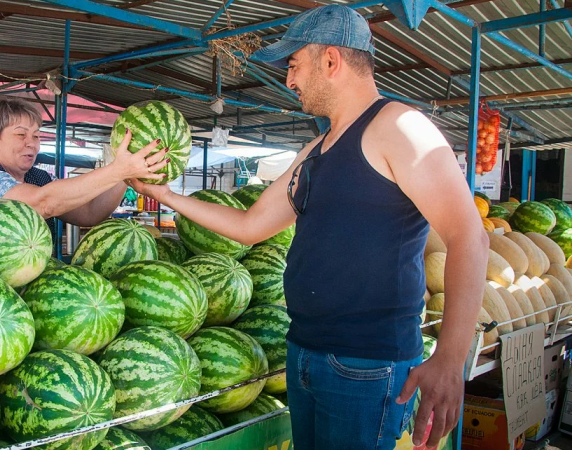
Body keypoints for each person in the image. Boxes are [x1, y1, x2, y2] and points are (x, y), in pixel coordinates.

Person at [129, 5, 488, 450]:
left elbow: (469, 236)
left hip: (366, 364)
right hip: (303, 353)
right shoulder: (316, 148)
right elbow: (250, 225)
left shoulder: (400, 126)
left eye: (294, 65)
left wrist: (451, 359)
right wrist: (163, 195)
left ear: (331, 60)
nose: (289, 80)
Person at [0, 97, 168, 234]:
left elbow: (89, 213)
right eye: (21, 134)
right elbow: (44, 203)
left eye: (36, 135)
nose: (31, 143)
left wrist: (124, 175)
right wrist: (118, 169)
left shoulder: (39, 178)